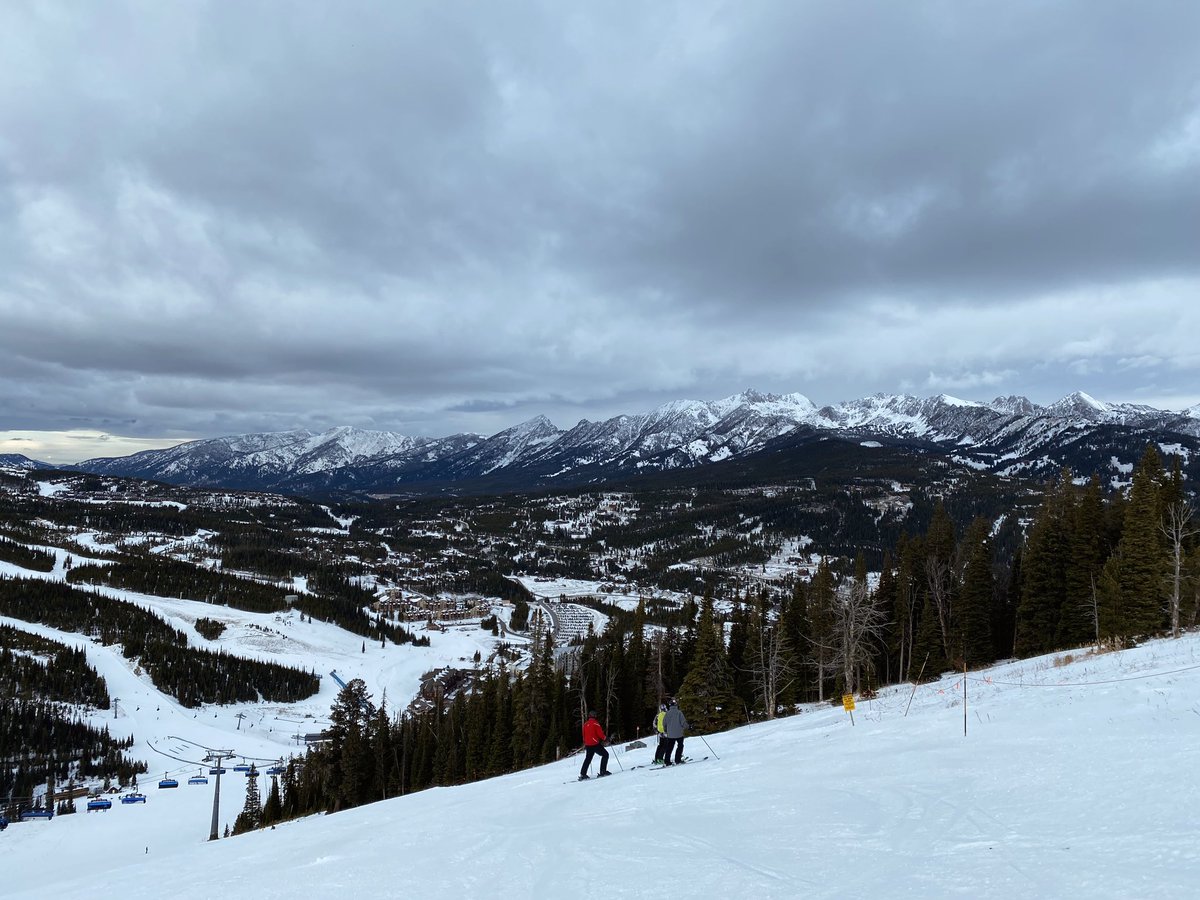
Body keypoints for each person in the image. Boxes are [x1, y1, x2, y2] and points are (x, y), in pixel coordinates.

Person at [579, 710, 611, 780]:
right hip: (594, 744)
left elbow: (583, 735)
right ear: (595, 716)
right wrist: (606, 738)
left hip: (588, 744)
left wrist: (586, 742)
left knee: (588, 759)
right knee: (605, 755)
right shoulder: (596, 723)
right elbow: (600, 734)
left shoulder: (585, 724)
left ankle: (583, 774)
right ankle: (603, 771)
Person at [661, 697, 688, 766]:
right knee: (680, 746)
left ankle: (667, 761)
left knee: (669, 748)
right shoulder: (679, 712)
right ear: (676, 705)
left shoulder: (667, 714)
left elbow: (664, 723)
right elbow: (683, 722)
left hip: (671, 734)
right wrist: (688, 727)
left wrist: (665, 730)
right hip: (679, 733)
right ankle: (677, 760)